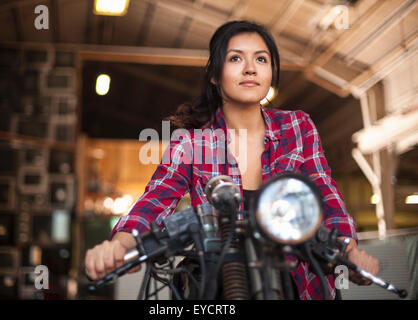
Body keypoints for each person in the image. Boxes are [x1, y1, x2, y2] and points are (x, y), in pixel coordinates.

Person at [85, 20, 379, 300]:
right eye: (236, 59)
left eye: (261, 60)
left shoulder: (298, 127)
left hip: (300, 283)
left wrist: (350, 251)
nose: (251, 69)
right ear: (214, 74)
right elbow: (154, 201)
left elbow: (325, 195)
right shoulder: (190, 143)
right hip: (224, 284)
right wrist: (118, 246)